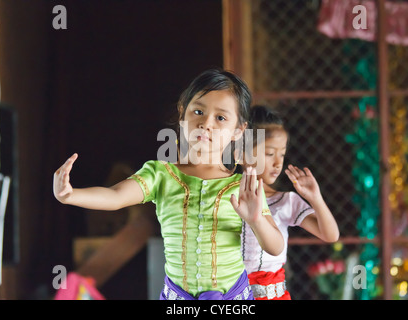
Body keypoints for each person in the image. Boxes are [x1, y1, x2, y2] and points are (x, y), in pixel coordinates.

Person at [53, 69, 284, 300]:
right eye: (198, 111)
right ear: (183, 114)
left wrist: (256, 220)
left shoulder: (244, 186)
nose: (206, 123)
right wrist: (71, 195)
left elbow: (275, 247)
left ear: (238, 131)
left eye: (220, 118)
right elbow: (115, 196)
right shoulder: (161, 174)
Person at [241, 105, 339, 300]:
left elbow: (330, 235)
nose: (278, 163)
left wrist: (315, 198)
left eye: (282, 154)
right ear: (242, 152)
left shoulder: (285, 201)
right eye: (269, 153)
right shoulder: (225, 197)